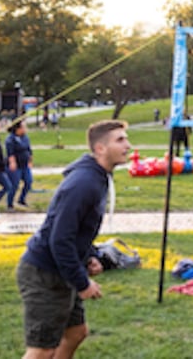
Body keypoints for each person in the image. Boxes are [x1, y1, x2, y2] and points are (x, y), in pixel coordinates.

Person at [17, 120, 133, 359]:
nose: (128, 145)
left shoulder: (97, 177)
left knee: (76, 332)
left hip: (62, 269)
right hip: (45, 272)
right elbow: (59, 240)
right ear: (100, 148)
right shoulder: (83, 183)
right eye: (120, 140)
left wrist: (89, 255)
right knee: (42, 349)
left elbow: (75, 231)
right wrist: (83, 283)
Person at [6, 120, 36, 210]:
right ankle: (10, 204)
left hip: (25, 164)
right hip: (16, 165)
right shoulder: (10, 139)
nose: (25, 129)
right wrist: (12, 162)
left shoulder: (25, 138)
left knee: (29, 181)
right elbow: (10, 153)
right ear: (18, 129)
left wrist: (30, 161)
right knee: (14, 184)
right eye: (23, 127)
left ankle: (21, 199)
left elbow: (29, 150)